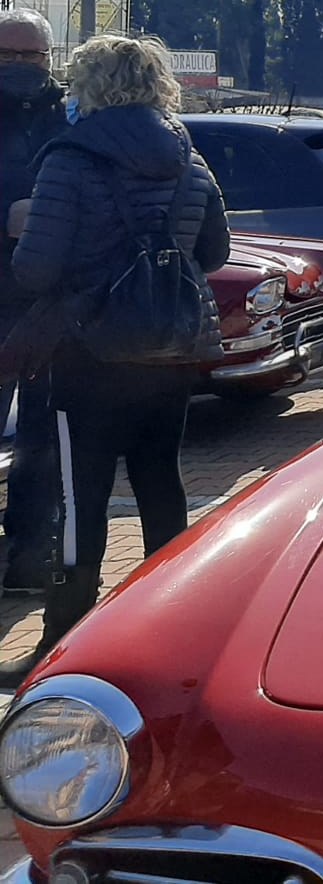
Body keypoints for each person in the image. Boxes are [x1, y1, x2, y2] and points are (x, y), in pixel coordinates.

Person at [4, 35, 230, 673]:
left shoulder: (69, 158)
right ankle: (175, 626)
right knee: (162, 482)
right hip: (172, 350)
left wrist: (26, 226)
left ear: (90, 87)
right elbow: (213, 252)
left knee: (81, 497)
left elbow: (37, 271)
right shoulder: (189, 157)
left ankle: (64, 641)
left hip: (88, 354)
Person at [0, 8, 69, 594]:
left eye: (32, 55)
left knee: (42, 439)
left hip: (49, 300)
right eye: (9, 55)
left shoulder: (68, 114)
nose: (22, 66)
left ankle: (29, 557)